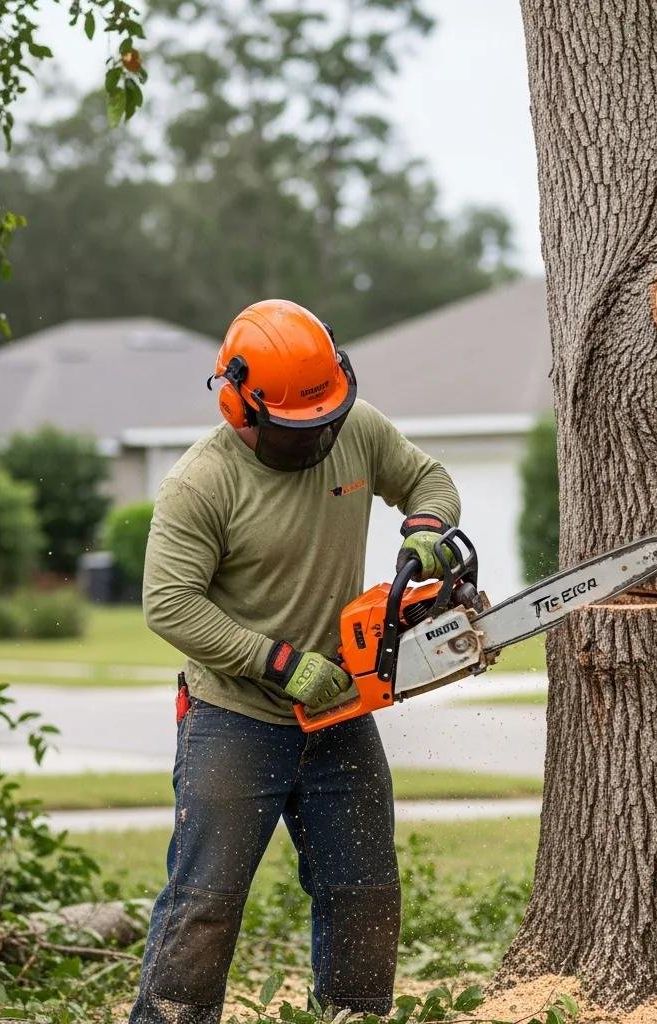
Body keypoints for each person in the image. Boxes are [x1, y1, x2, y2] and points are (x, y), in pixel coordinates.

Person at [128, 299, 461, 1024]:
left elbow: (427, 478)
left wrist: (428, 528)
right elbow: (170, 605)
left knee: (365, 889)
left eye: (325, 422)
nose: (317, 439)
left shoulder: (357, 428)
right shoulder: (200, 484)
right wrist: (279, 663)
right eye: (297, 429)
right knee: (206, 902)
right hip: (235, 718)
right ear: (238, 406)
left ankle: (355, 1015)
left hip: (341, 710)